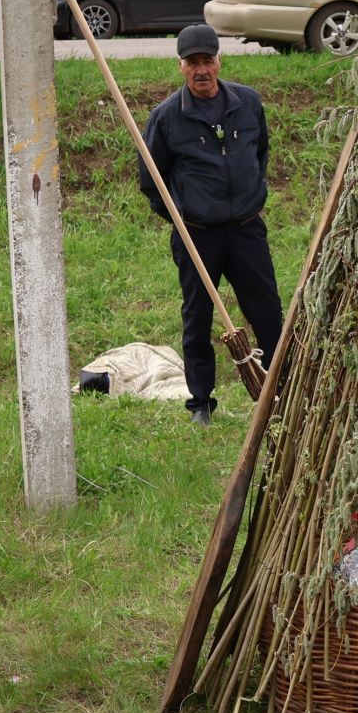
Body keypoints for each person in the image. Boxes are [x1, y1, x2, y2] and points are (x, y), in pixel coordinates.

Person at [138, 24, 284, 425]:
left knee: (268, 311)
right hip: (197, 235)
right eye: (193, 63)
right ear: (181, 66)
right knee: (197, 316)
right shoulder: (166, 118)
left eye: (208, 60)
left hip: (246, 230)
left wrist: (254, 192)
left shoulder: (248, 103)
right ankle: (201, 401)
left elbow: (260, 153)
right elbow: (152, 181)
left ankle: (279, 390)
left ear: (219, 60)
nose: (201, 70)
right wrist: (183, 217)